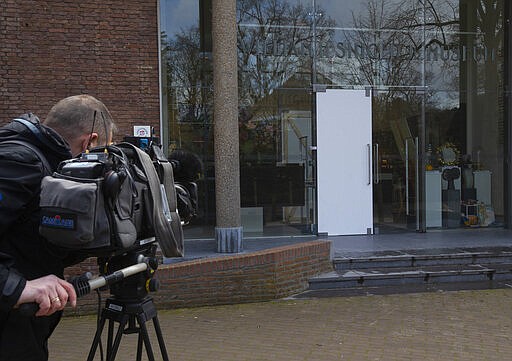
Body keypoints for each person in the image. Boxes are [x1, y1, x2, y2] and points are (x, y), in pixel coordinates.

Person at [0, 95, 116, 361]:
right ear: (90, 142)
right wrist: (17, 288)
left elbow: (27, 240)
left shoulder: (45, 166)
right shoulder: (20, 161)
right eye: (102, 153)